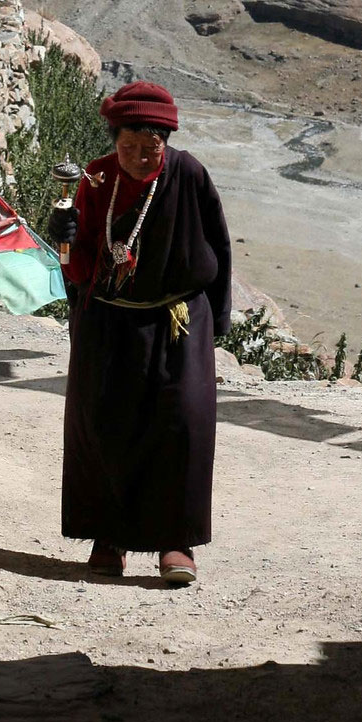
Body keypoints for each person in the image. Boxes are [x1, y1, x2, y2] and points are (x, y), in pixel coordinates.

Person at [48, 79, 231, 586]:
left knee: (182, 426)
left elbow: (217, 244)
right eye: (126, 147)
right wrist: (63, 238)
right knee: (105, 424)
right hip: (108, 320)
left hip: (176, 321)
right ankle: (109, 539)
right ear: (113, 143)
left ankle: (177, 542)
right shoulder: (98, 180)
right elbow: (78, 261)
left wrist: (218, 320)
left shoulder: (188, 175)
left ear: (165, 143)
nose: (137, 159)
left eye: (149, 149)